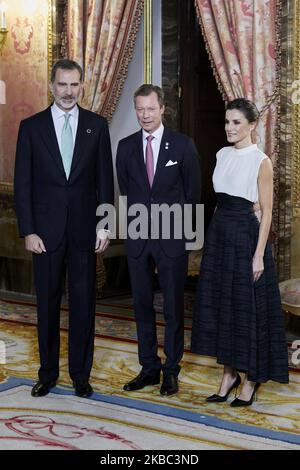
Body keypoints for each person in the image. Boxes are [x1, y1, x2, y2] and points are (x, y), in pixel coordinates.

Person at [14, 59, 114, 398]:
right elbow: (23, 183)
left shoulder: (97, 126)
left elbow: (105, 180)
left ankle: (81, 375)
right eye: (62, 85)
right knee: (47, 305)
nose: (68, 92)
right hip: (45, 233)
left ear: (81, 87)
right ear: (51, 86)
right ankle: (47, 373)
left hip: (86, 231)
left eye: (74, 85)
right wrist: (28, 230)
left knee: (84, 305)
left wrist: (105, 224)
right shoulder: (31, 127)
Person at [191, 98, 289, 407]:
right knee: (225, 306)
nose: (230, 128)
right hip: (220, 234)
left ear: (251, 125)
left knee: (248, 309)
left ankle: (251, 379)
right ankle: (228, 374)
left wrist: (258, 255)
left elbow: (267, 211)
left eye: (236, 122)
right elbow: (220, 201)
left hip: (247, 238)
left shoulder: (261, 161)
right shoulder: (221, 154)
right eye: (227, 121)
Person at [116, 84, 201, 396]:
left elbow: (193, 194)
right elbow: (127, 191)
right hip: (138, 237)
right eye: (140, 109)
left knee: (173, 307)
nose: (145, 115)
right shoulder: (124, 147)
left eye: (151, 109)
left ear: (163, 108)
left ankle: (171, 370)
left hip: (172, 238)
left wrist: (188, 240)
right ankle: (149, 367)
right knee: (140, 304)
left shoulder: (182, 145)